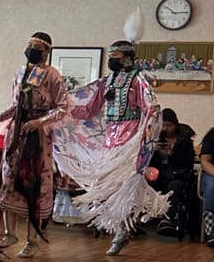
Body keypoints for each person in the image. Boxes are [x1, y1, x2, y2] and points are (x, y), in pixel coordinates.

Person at [53, 38, 164, 256]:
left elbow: (150, 107)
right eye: (110, 58)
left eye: (116, 58)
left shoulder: (138, 79)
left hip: (130, 135)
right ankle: (122, 227)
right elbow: (90, 109)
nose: (112, 61)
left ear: (128, 58)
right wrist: (62, 112)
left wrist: (145, 134)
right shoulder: (108, 81)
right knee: (104, 184)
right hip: (110, 136)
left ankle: (124, 229)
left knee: (124, 183)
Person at [0, 32, 68, 258]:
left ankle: (33, 239)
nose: (32, 50)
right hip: (16, 134)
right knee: (9, 178)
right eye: (30, 45)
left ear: (47, 51)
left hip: (38, 138)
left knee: (34, 183)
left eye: (37, 47)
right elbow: (16, 105)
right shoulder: (20, 72)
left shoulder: (53, 76)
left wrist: (40, 122)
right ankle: (9, 233)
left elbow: (63, 107)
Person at [150, 108, 195, 236]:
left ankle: (167, 219)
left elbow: (187, 164)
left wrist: (171, 154)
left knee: (174, 186)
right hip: (159, 174)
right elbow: (147, 163)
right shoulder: (154, 139)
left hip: (177, 175)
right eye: (163, 125)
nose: (165, 128)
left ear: (176, 125)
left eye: (169, 125)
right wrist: (154, 152)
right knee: (143, 181)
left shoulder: (184, 141)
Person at [200, 127, 214, 247]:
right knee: (211, 185)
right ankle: (211, 229)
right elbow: (205, 161)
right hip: (212, 172)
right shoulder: (212, 136)